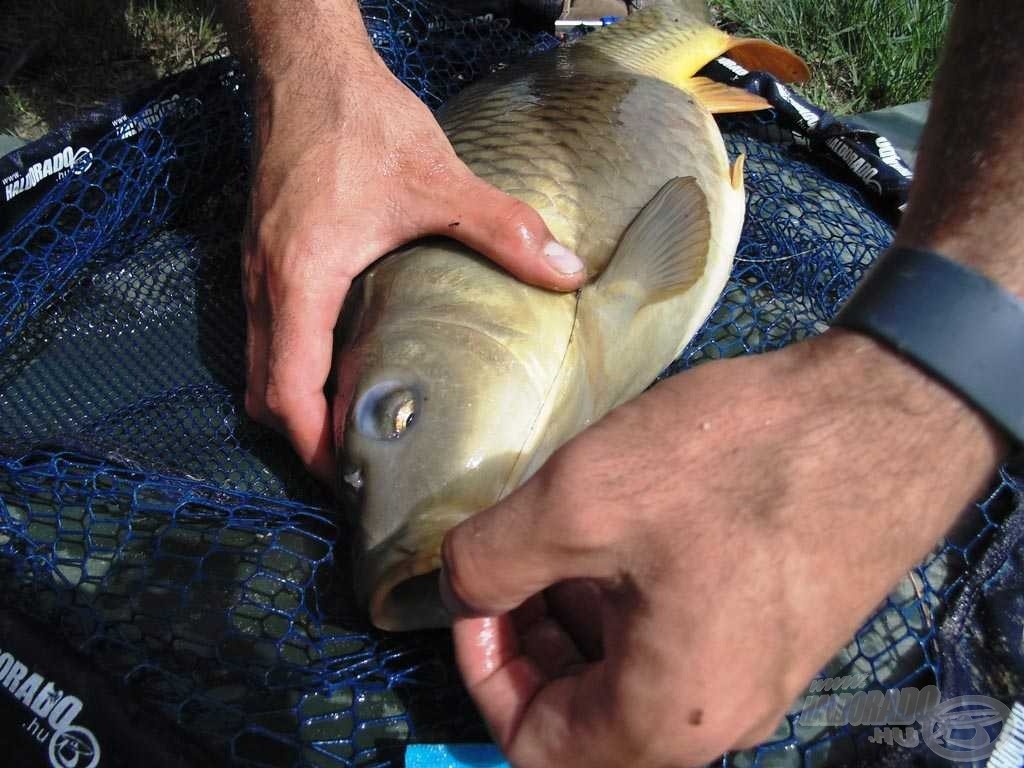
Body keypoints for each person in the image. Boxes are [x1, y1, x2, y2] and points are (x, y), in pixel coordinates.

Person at [226, 1, 1022, 765]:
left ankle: (648, 19)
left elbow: (673, 230)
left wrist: (919, 388)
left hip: (606, 96)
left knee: (668, 29)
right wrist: (309, 73)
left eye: (395, 412)